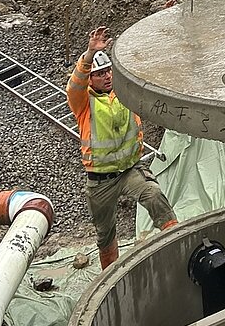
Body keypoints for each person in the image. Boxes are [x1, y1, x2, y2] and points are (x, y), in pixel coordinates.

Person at [66, 24, 177, 269]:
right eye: (100, 73)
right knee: (104, 232)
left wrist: (166, 28)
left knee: (154, 195)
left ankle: (177, 243)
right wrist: (89, 54)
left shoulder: (126, 93)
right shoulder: (82, 102)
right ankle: (111, 275)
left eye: (109, 71)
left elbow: (146, 66)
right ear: (91, 78)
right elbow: (75, 84)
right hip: (101, 179)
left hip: (129, 171)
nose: (107, 76)